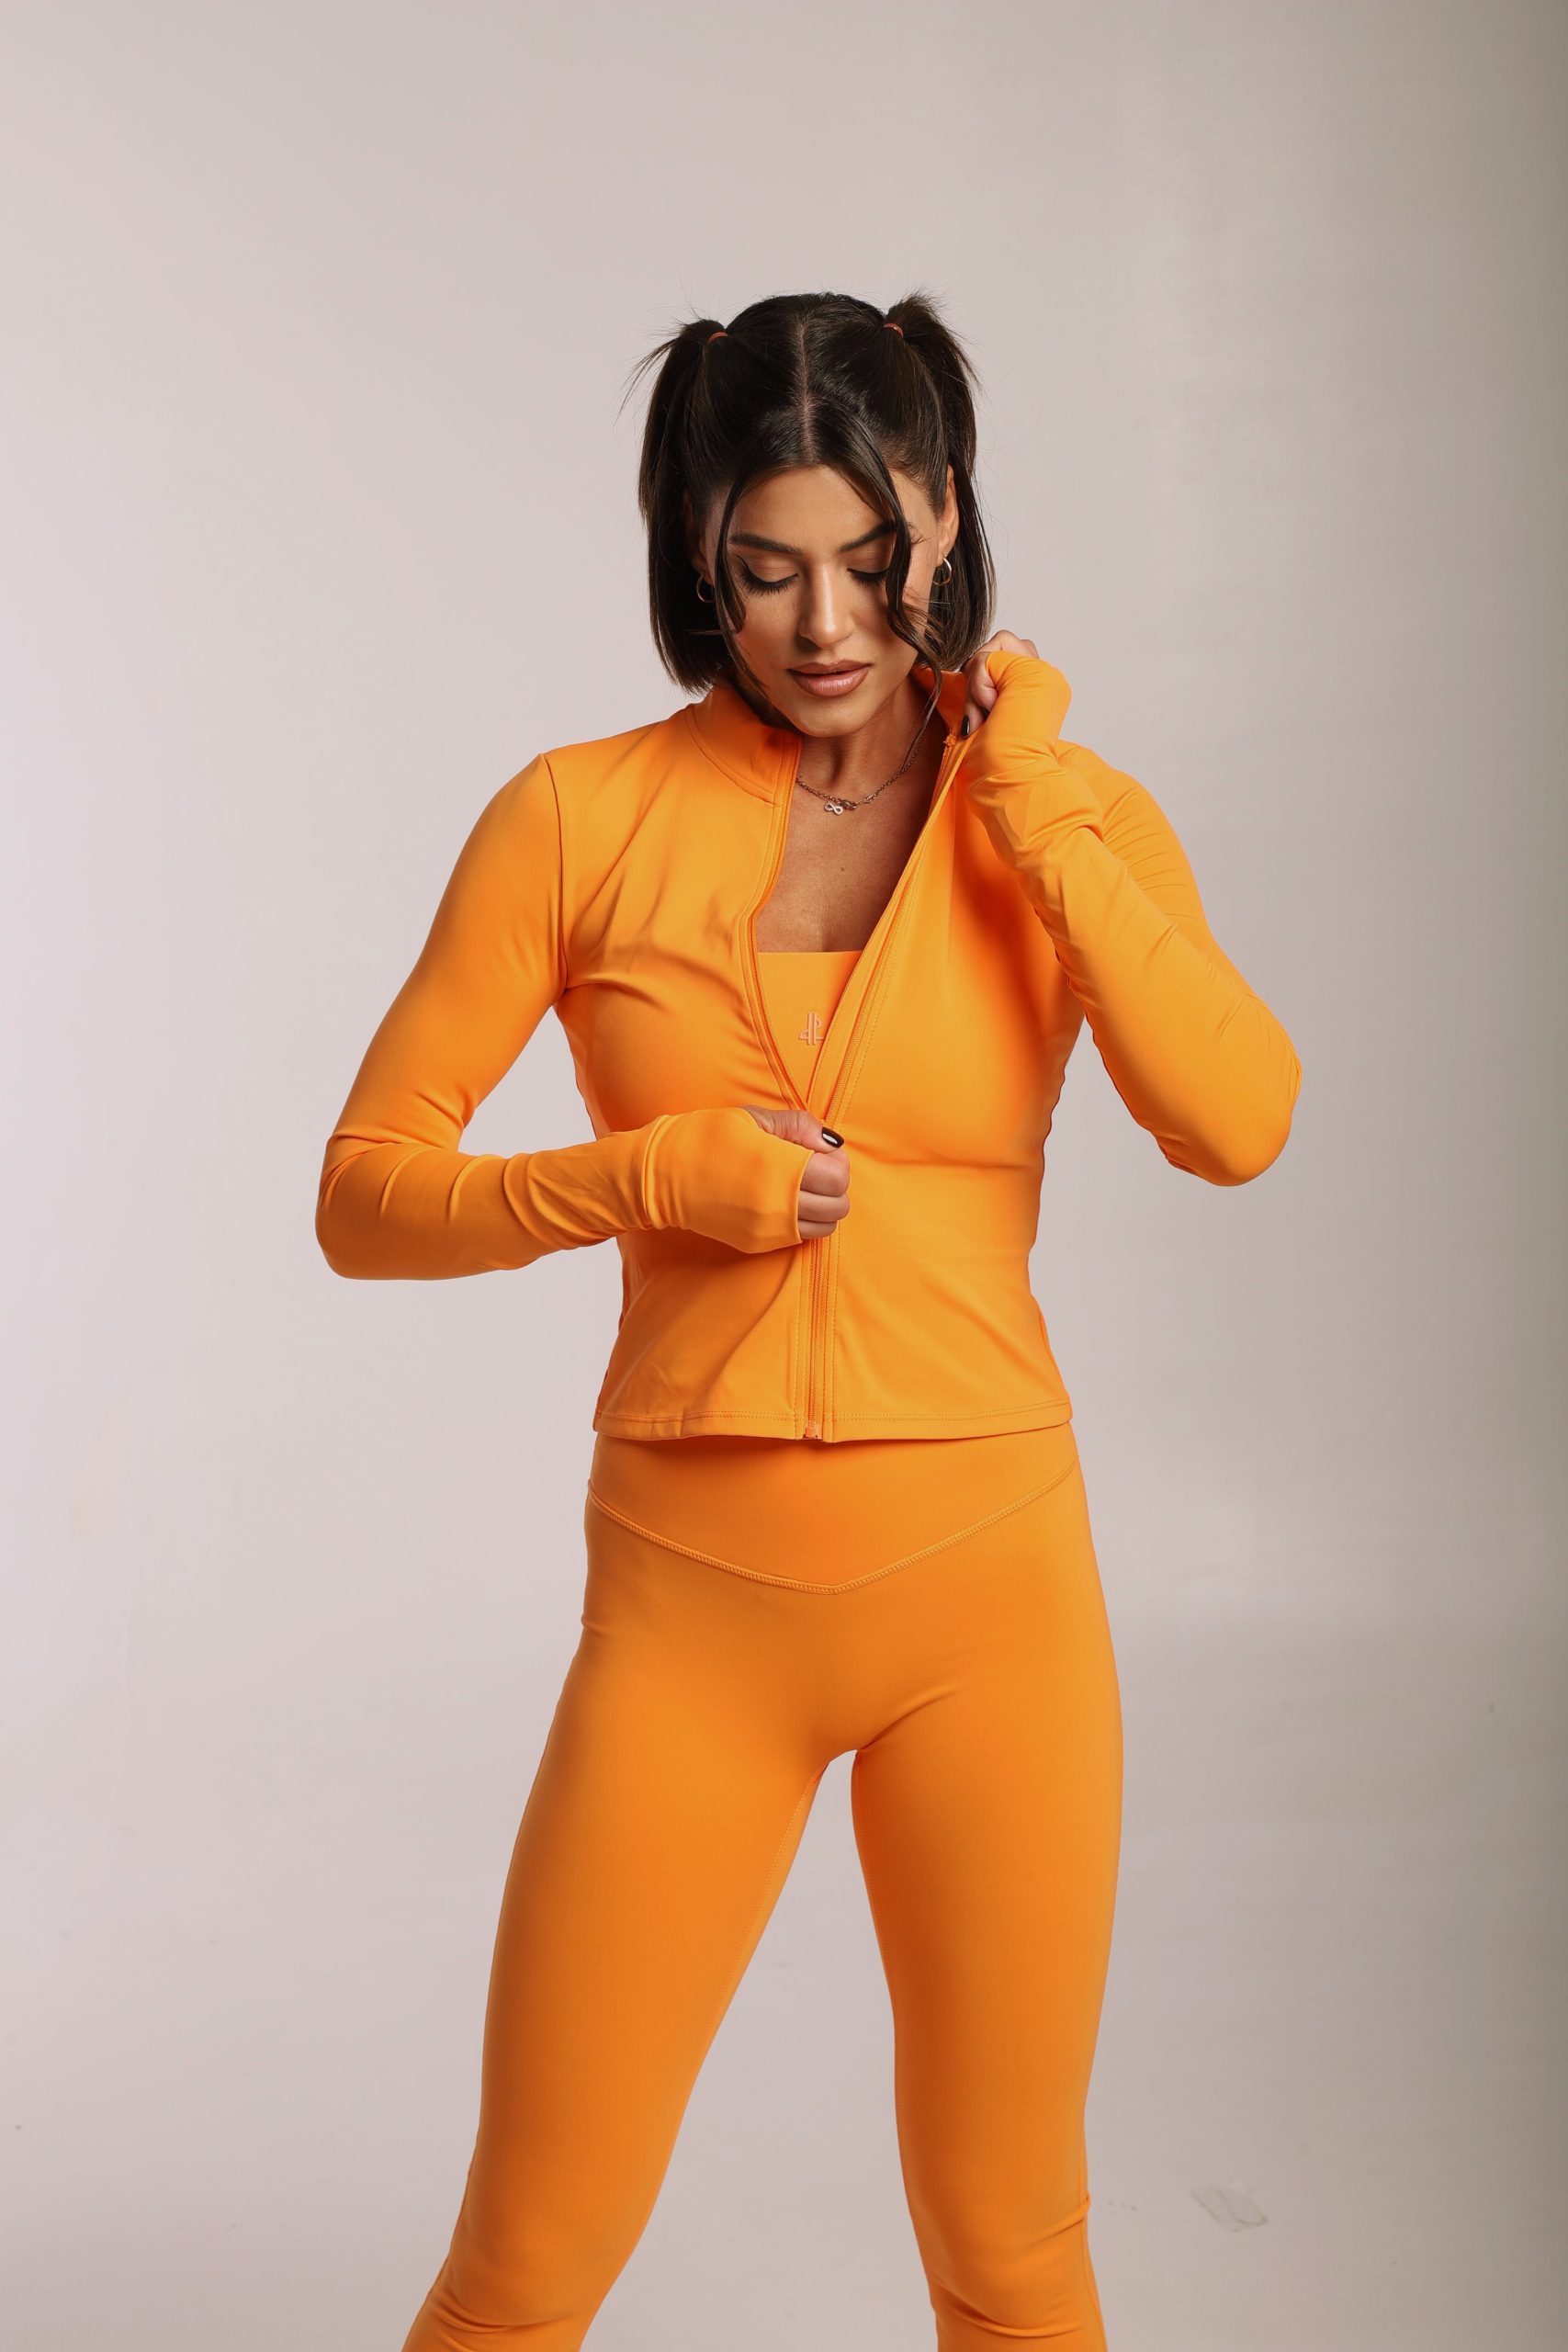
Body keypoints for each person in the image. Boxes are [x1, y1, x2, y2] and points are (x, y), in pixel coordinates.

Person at [314, 288, 1303, 2352]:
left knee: (1010, 2249)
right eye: (765, 571)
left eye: (871, 559)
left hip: (993, 1607)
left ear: (942, 512)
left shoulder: (1065, 809)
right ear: (697, 551)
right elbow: (365, 1196)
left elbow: (1237, 1121)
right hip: (688, 1617)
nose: (828, 624)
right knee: (526, 2261)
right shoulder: (575, 815)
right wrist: (650, 1178)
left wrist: (1034, 810)